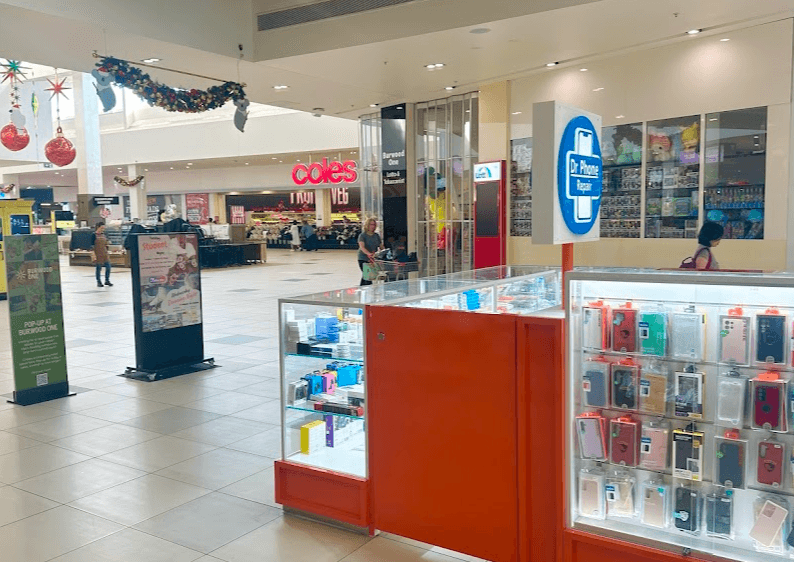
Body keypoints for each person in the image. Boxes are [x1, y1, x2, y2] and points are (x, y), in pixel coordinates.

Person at [357, 217, 383, 286]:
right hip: (363, 258)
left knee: (368, 276)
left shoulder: (376, 235)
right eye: (371, 224)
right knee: (367, 275)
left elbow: (381, 246)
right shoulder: (362, 235)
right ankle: (365, 289)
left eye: (374, 225)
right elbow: (362, 247)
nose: (373, 226)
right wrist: (368, 253)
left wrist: (384, 252)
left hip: (373, 258)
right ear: (367, 225)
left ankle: (363, 289)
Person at [91, 222, 113, 287]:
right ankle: (99, 281)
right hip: (97, 253)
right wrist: (93, 254)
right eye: (102, 227)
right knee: (98, 268)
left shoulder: (104, 234)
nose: (103, 229)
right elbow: (92, 245)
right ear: (98, 227)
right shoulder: (94, 235)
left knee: (108, 266)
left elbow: (107, 242)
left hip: (105, 252)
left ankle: (107, 280)